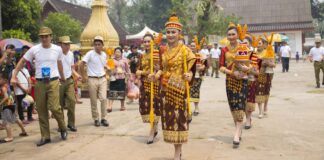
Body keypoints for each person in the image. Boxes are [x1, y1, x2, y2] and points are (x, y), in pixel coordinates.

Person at [11, 27, 68, 146]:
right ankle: (45, 136)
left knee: (54, 107)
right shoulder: (34, 49)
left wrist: (62, 77)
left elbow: (59, 64)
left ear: (51, 37)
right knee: (41, 110)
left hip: (53, 81)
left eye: (46, 36)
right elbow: (22, 61)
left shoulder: (57, 49)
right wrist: (14, 75)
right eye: (42, 36)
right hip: (40, 82)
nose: (44, 38)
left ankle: (63, 127)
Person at [154, 14, 196, 160]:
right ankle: (177, 151)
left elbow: (192, 68)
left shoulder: (185, 50)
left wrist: (189, 75)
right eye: (168, 32)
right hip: (166, 91)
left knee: (179, 121)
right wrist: (156, 75)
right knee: (170, 122)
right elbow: (161, 68)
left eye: (174, 32)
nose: (170, 35)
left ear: (179, 34)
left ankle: (177, 154)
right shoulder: (163, 50)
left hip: (179, 91)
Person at [219, 24, 251, 148]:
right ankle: (238, 128)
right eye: (229, 35)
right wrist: (231, 72)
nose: (231, 37)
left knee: (240, 106)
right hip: (230, 81)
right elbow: (221, 67)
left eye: (233, 34)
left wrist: (246, 69)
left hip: (242, 81)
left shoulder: (243, 48)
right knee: (233, 107)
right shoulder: (224, 50)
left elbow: (251, 65)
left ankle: (237, 133)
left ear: (238, 35)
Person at [136, 32, 162, 144]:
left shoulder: (157, 54)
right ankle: (154, 126)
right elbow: (137, 70)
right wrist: (144, 72)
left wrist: (156, 73)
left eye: (149, 41)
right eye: (145, 41)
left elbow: (162, 69)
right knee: (145, 107)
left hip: (155, 85)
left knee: (154, 107)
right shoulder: (141, 56)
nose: (147, 43)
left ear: (153, 42)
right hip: (144, 85)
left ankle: (151, 132)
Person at [80, 36, 109, 127]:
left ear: (102, 45)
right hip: (92, 78)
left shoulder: (104, 54)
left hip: (102, 78)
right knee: (93, 100)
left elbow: (104, 66)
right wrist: (84, 76)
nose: (97, 46)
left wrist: (108, 69)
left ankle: (103, 118)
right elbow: (81, 64)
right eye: (95, 44)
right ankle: (96, 119)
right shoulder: (90, 53)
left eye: (99, 44)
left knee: (103, 98)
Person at [58, 36, 81, 132]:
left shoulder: (71, 54)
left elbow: (72, 68)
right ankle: (61, 125)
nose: (67, 46)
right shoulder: (57, 54)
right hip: (58, 81)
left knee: (72, 101)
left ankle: (71, 124)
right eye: (65, 44)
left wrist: (77, 75)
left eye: (68, 44)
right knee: (59, 105)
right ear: (61, 44)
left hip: (69, 80)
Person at [0, 72, 28, 143]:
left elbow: (6, 97)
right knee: (16, 118)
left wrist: (0, 103)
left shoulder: (3, 87)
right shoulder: (8, 86)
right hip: (13, 104)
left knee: (6, 122)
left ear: (5, 80)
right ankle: (23, 131)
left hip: (7, 106)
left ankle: (9, 137)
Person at [255, 38, 276, 118]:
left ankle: (265, 106)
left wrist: (268, 63)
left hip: (266, 75)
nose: (258, 45)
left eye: (259, 43)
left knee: (266, 92)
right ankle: (260, 111)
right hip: (257, 75)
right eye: (257, 43)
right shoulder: (253, 53)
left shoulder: (268, 53)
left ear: (263, 44)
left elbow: (274, 65)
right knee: (259, 92)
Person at [244, 34, 260, 129]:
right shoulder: (238, 54)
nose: (244, 45)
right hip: (241, 80)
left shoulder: (254, 55)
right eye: (242, 43)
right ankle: (246, 118)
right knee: (242, 101)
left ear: (250, 44)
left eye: (246, 43)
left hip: (251, 80)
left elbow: (257, 72)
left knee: (249, 101)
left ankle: (248, 119)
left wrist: (250, 69)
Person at [107, 47, 130, 112]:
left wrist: (128, 76)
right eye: (116, 52)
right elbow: (108, 68)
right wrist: (109, 69)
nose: (117, 53)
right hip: (113, 78)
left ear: (121, 53)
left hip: (122, 78)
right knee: (112, 91)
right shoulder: (111, 60)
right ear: (114, 53)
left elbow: (127, 69)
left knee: (122, 92)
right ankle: (110, 106)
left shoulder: (124, 60)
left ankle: (122, 106)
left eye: (118, 52)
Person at [189, 41, 207, 116]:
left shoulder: (201, 55)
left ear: (197, 47)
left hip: (198, 76)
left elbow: (205, 65)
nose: (192, 47)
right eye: (191, 46)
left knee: (196, 91)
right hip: (189, 76)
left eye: (193, 46)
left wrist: (201, 68)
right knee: (188, 91)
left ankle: (196, 107)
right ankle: (188, 108)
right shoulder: (188, 55)